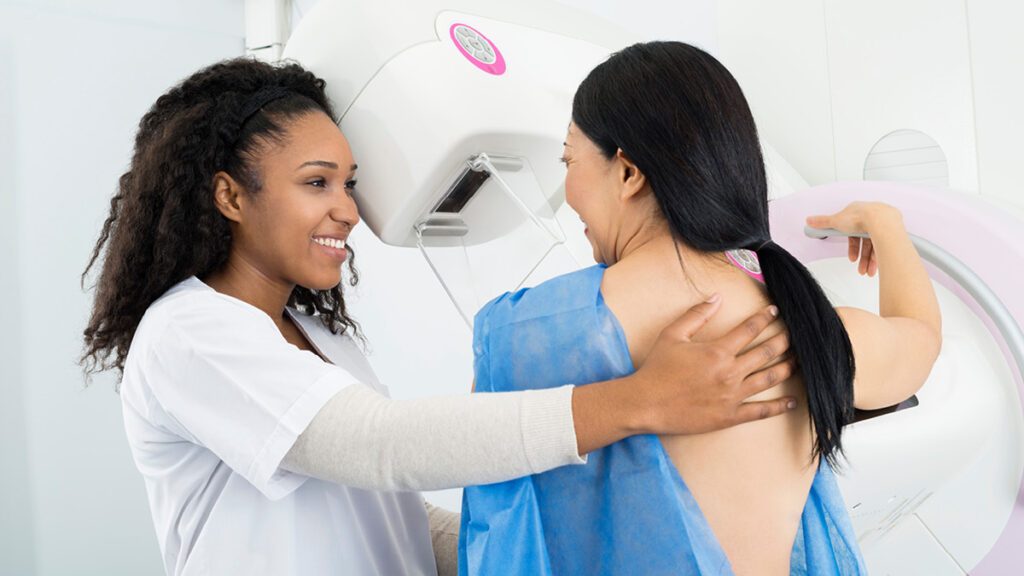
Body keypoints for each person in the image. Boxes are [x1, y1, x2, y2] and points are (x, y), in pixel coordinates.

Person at [79, 57, 797, 576]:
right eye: (317, 183)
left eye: (349, 184)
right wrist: (641, 401)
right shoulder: (188, 333)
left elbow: (396, 520)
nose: (348, 209)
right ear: (231, 196)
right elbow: (378, 445)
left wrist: (549, 547)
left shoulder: (321, 338)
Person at [458, 41, 942, 576]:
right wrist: (885, 225)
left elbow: (483, 489)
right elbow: (920, 339)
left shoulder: (526, 335)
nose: (567, 186)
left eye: (569, 159)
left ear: (628, 173)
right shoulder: (804, 325)